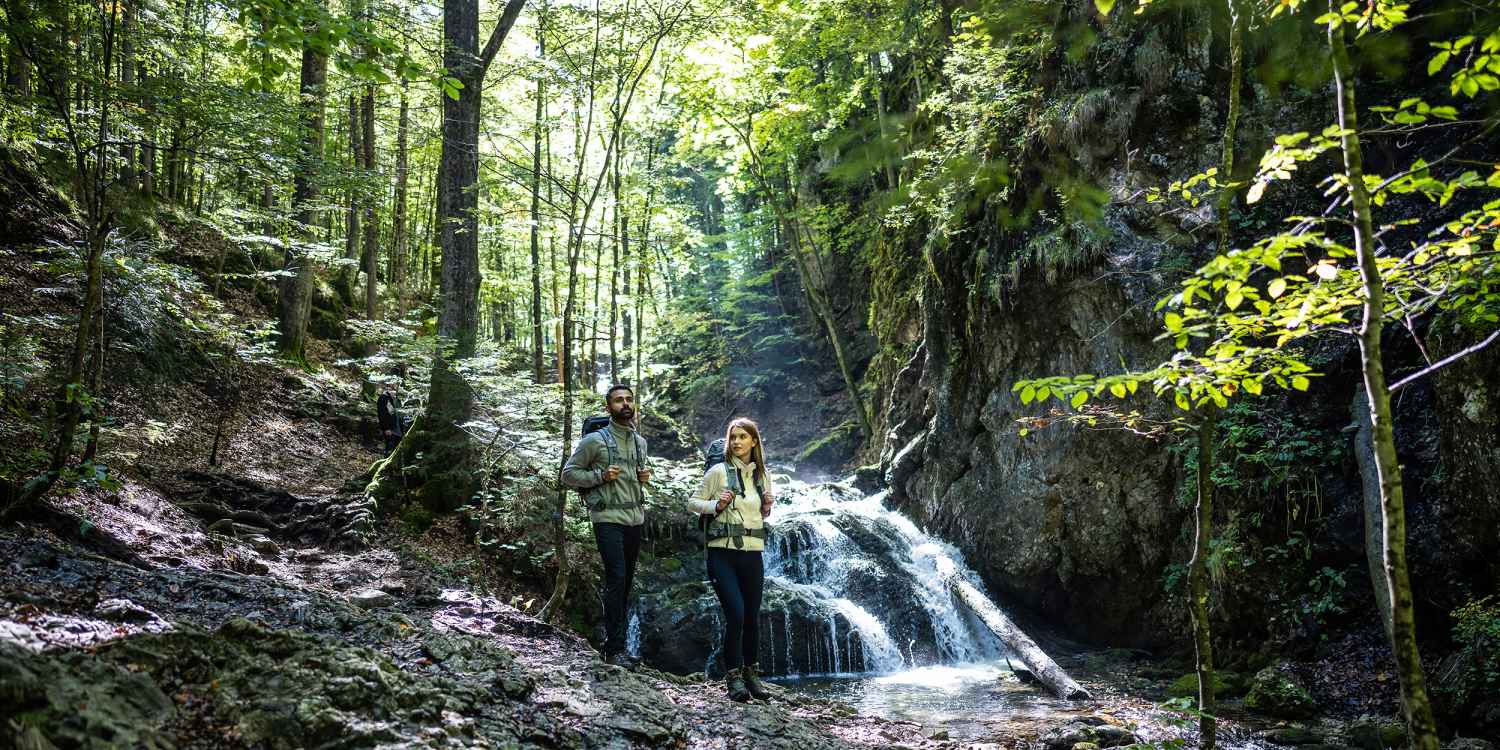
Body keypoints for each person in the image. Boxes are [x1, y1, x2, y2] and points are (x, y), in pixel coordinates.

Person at [561, 384, 651, 669]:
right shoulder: (595, 441)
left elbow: (636, 477)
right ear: (608, 407)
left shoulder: (640, 443)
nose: (625, 404)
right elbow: (568, 474)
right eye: (618, 400)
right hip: (607, 519)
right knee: (616, 580)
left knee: (624, 585)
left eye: (628, 399)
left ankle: (619, 647)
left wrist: (643, 476)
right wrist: (600, 475)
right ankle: (613, 650)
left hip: (635, 519)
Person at [688, 417, 775, 701]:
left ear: (754, 441)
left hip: (752, 554)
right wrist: (716, 504)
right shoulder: (717, 472)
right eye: (732, 437)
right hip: (722, 554)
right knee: (736, 614)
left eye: (742, 437)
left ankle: (752, 675)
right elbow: (692, 502)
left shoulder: (763, 475)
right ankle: (734, 678)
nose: (736, 442)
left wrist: (767, 507)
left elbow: (761, 515)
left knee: (752, 617)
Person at [376, 380, 404, 455]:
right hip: (390, 429)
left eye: (395, 387)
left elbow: (400, 413)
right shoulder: (383, 398)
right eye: (391, 387)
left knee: (396, 450)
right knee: (389, 449)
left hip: (398, 429)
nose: (393, 389)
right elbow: (382, 414)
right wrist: (386, 428)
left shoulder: (397, 399)